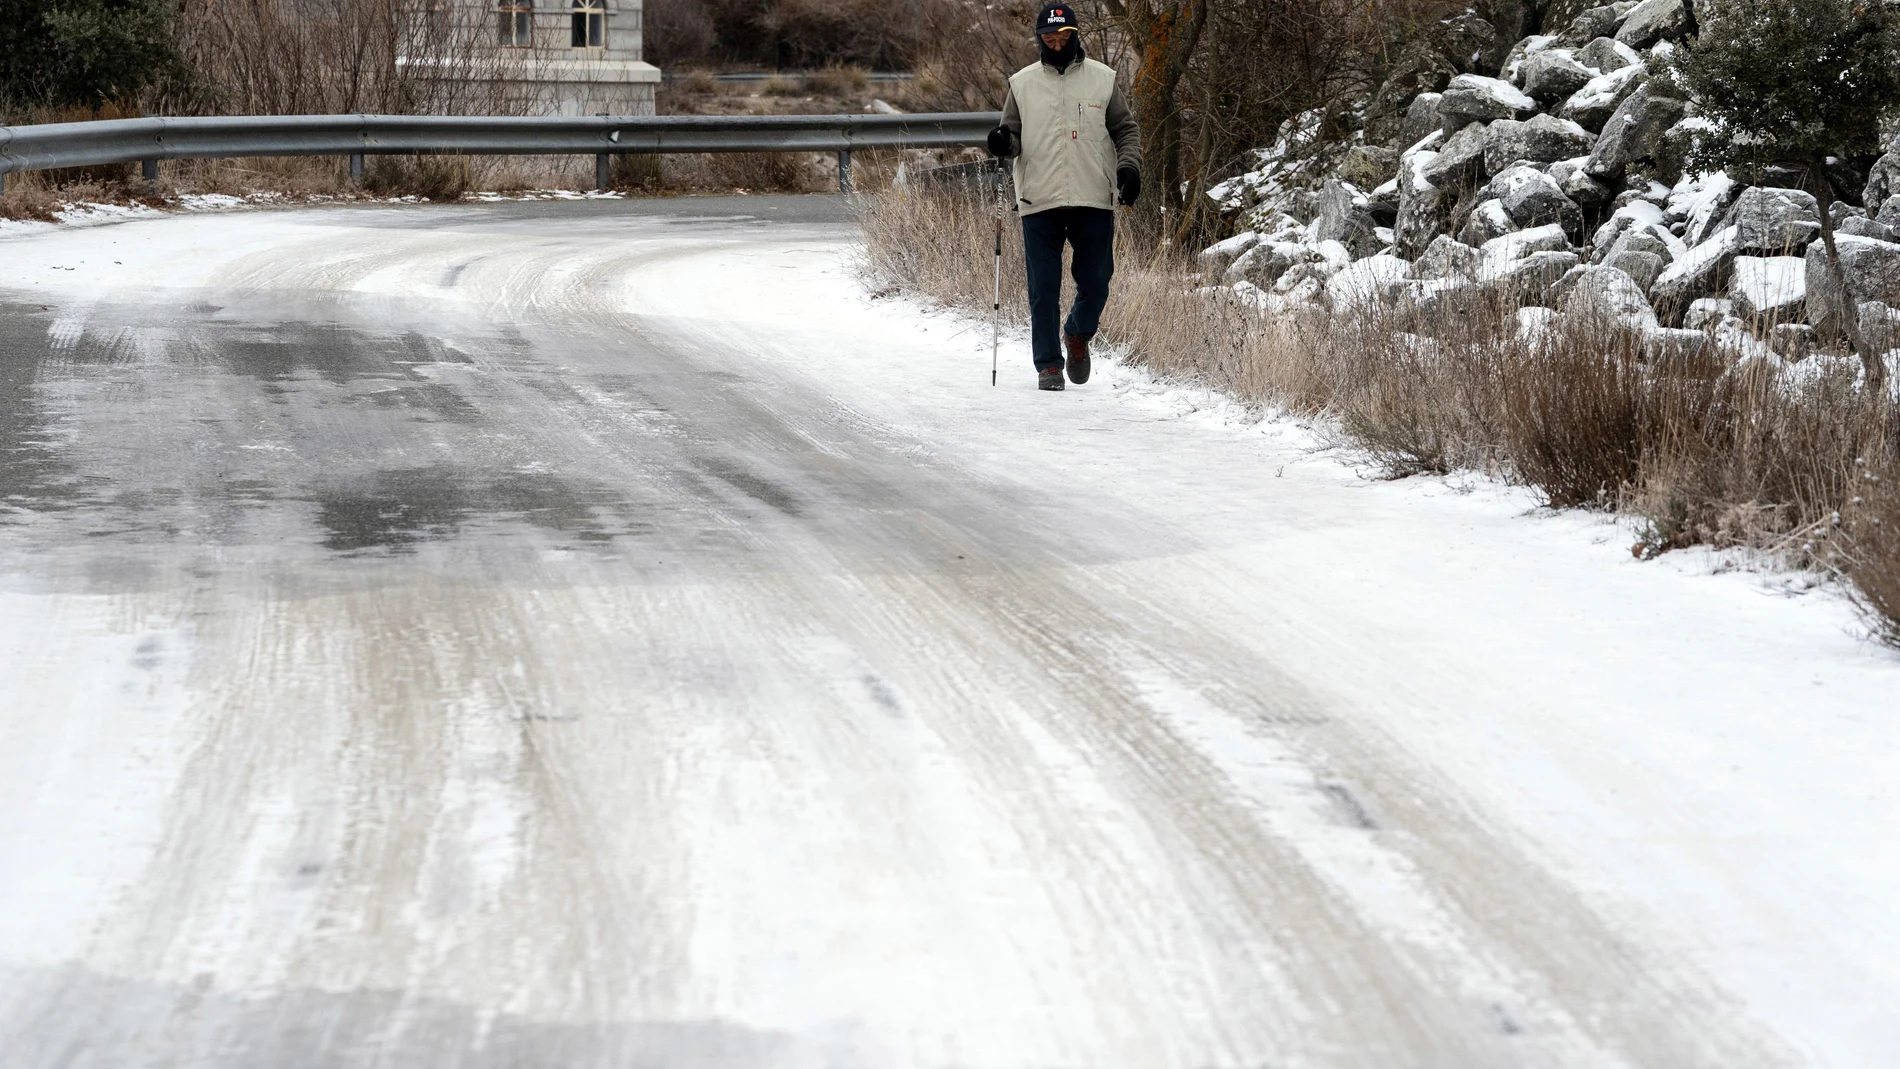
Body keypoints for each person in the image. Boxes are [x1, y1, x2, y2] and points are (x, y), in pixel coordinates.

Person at [986, 2, 1143, 391]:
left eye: (1063, 38)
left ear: (1075, 36)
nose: (1056, 45)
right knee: (1043, 287)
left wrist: (1130, 169)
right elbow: (1012, 137)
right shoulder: (1021, 84)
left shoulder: (1103, 80)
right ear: (1040, 39)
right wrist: (1001, 143)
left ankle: (1077, 333)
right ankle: (1048, 366)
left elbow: (1126, 130)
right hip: (1038, 199)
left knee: (1097, 280)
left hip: (1094, 196)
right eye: (1049, 39)